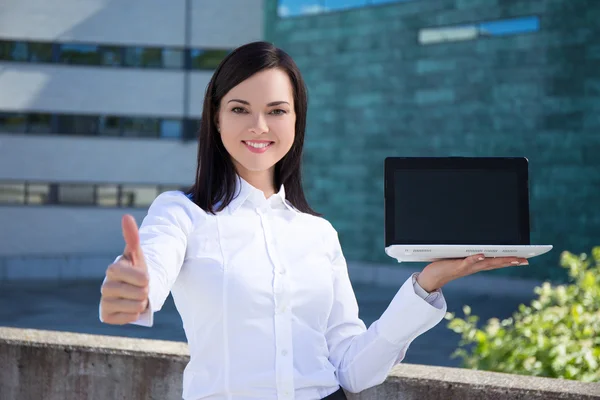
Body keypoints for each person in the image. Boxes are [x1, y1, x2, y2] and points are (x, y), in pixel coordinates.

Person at [99, 41, 528, 400]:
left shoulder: (318, 233)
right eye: (240, 108)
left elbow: (353, 369)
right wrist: (133, 288)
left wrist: (426, 285)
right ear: (216, 116)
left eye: (277, 110)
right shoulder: (181, 213)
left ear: (297, 118)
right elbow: (150, 268)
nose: (259, 126)